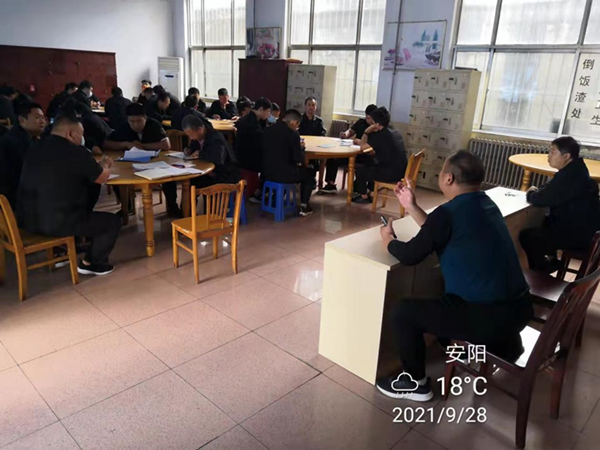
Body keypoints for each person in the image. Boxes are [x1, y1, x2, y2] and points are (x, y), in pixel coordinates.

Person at [376, 151, 533, 401]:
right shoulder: (486, 204)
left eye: (441, 171)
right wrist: (412, 206)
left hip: (490, 318)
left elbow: (410, 255)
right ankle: (469, 348)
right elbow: (440, 230)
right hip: (520, 311)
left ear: (448, 178)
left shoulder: (447, 213)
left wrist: (388, 241)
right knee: (442, 291)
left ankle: (415, 383)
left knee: (403, 313)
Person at [17, 114, 121, 276]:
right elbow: (102, 177)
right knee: (112, 222)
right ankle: (92, 263)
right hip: (55, 223)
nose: (83, 138)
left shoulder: (36, 146)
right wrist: (105, 164)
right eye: (82, 134)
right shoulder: (76, 151)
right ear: (71, 134)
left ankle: (62, 250)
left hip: (27, 219)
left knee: (82, 191)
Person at [520, 136, 600, 272]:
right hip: (584, 229)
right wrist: (539, 191)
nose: (548, 155)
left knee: (528, 236)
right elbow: (549, 188)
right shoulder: (577, 169)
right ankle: (551, 260)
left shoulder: (570, 176)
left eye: (553, 151)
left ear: (566, 156)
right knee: (543, 222)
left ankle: (541, 271)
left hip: (578, 234)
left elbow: (540, 199)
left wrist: (531, 192)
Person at [104, 103, 175, 213]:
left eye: (139, 121)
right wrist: (126, 144)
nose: (135, 124)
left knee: (169, 177)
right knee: (116, 178)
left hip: (154, 162)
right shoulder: (123, 126)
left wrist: (142, 146)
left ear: (145, 118)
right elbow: (106, 143)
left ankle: (172, 206)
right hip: (129, 164)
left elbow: (166, 145)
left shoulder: (154, 124)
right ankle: (127, 207)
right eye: (132, 121)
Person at [263, 109, 316, 217]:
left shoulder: (267, 130)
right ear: (295, 122)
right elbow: (298, 159)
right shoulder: (293, 133)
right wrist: (301, 148)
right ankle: (304, 206)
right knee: (309, 172)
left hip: (266, 173)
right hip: (285, 174)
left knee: (283, 169)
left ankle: (275, 199)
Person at [353, 107, 408, 204]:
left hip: (391, 174)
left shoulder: (380, 135)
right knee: (372, 166)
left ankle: (364, 197)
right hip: (402, 171)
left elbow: (362, 147)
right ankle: (371, 193)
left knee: (361, 171)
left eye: (373, 122)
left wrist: (366, 131)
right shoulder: (394, 130)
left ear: (377, 124)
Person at [320, 104, 378, 195]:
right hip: (353, 152)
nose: (368, 120)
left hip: (366, 156)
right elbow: (350, 131)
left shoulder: (377, 127)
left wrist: (361, 143)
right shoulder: (361, 122)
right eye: (367, 118)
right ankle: (331, 184)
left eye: (370, 118)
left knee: (366, 167)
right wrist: (345, 134)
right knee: (333, 159)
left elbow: (375, 146)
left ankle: (362, 189)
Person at [0, 102, 46, 207]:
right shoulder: (16, 141)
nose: (42, 121)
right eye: (37, 117)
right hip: (13, 200)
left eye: (43, 118)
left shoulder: (26, 136)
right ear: (22, 120)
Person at [181, 115, 240, 187]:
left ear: (200, 129)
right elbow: (194, 146)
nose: (191, 138)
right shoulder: (198, 136)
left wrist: (200, 154)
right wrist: (189, 150)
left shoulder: (216, 138)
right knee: (190, 181)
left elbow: (217, 159)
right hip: (207, 171)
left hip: (222, 174)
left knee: (195, 183)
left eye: (191, 135)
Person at [235, 97, 272, 173]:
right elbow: (260, 142)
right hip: (248, 159)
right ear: (261, 109)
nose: (269, 115)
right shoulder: (251, 123)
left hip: (247, 156)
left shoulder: (254, 119)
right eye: (268, 112)